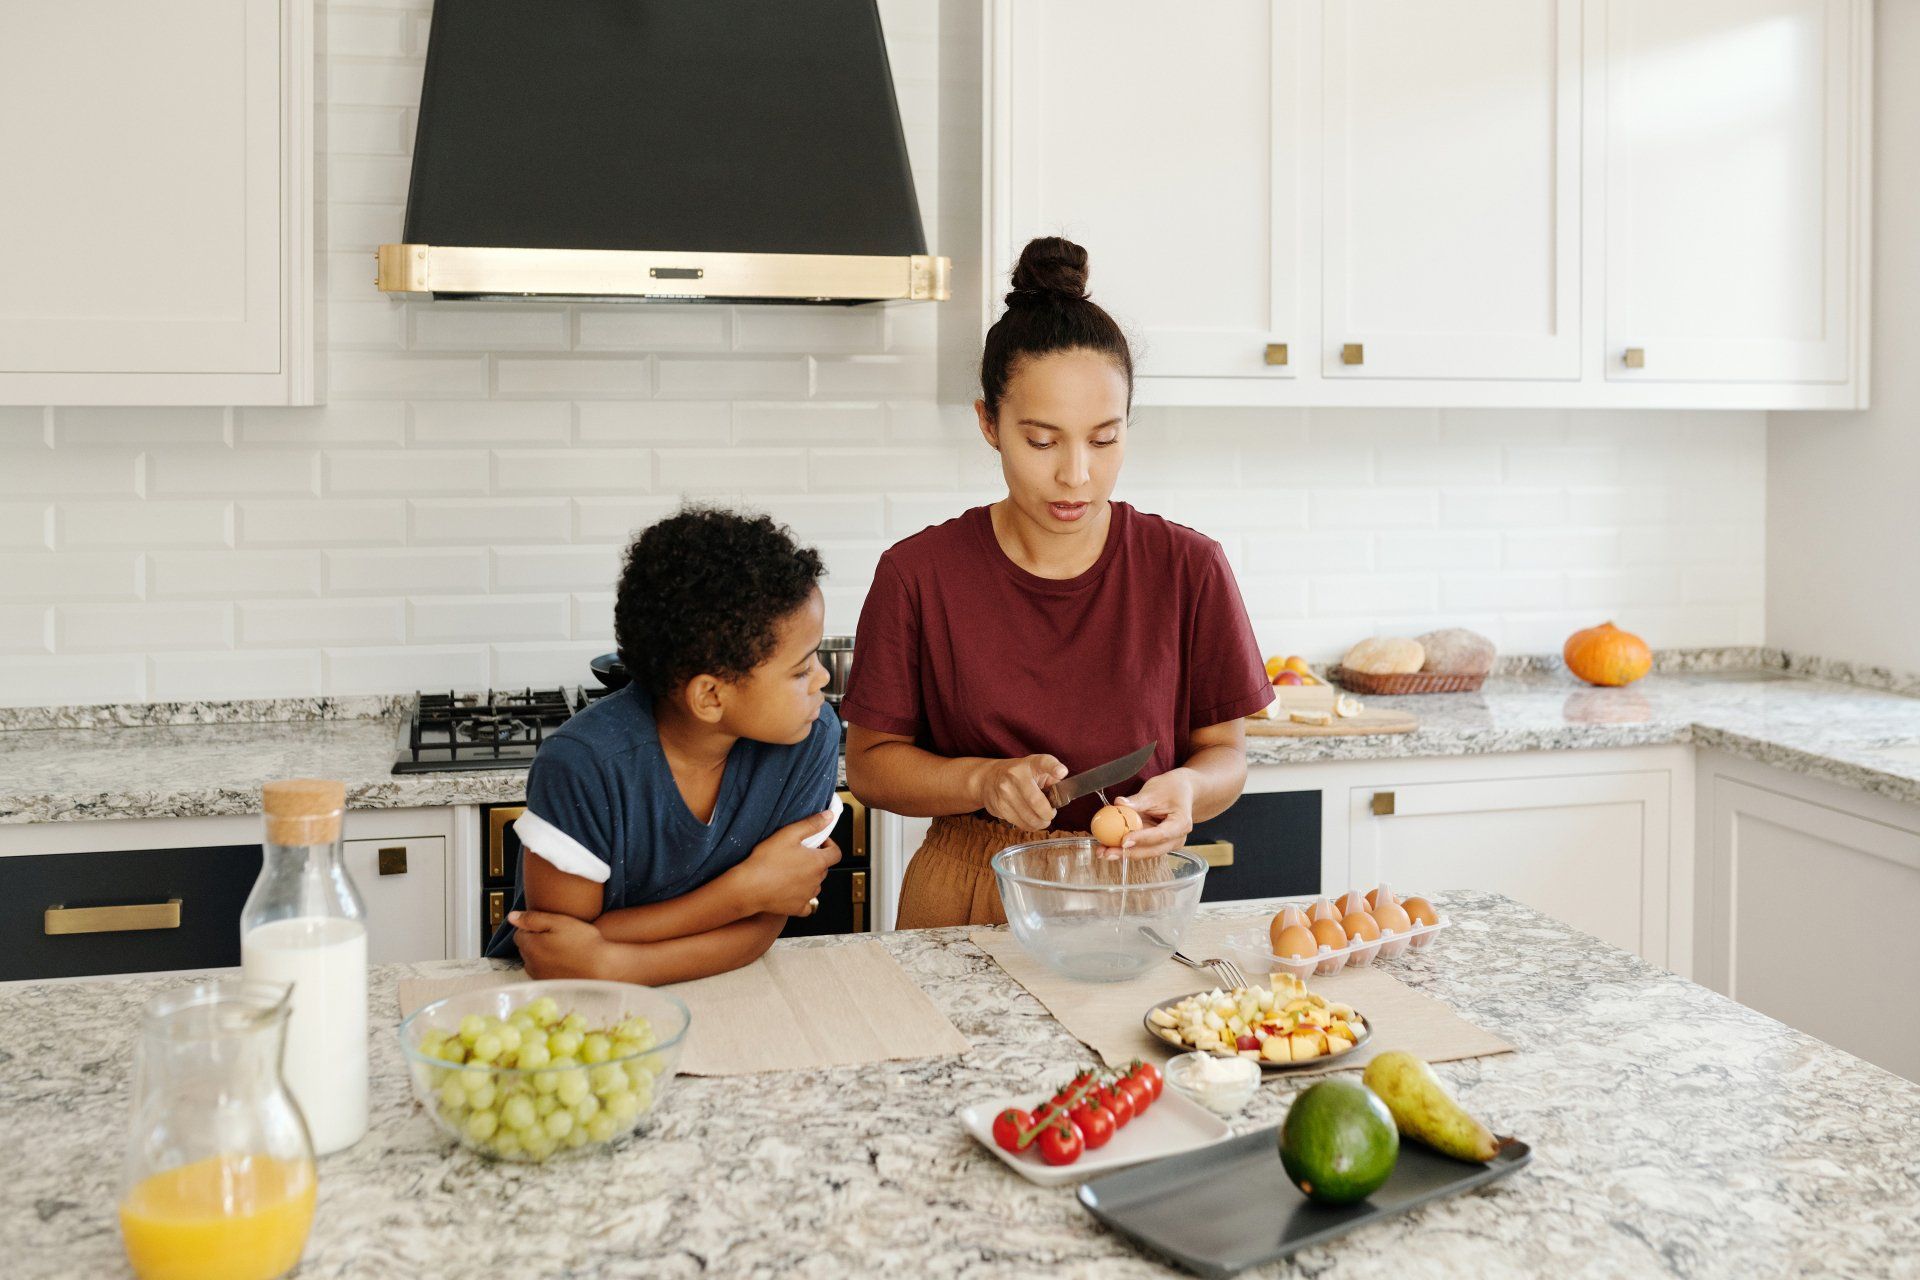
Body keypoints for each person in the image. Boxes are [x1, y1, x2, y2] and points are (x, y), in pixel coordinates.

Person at [841, 236, 1271, 929]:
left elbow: (1225, 754)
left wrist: (1187, 789)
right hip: (968, 894)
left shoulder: (1189, 567)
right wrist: (980, 781)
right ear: (989, 423)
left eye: (1104, 439)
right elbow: (871, 766)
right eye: (1042, 440)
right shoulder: (918, 574)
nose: (1076, 474)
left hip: (1131, 894)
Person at [489, 506, 843, 982]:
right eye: (801, 669)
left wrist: (611, 961)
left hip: (716, 988)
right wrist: (743, 891)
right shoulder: (584, 765)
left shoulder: (810, 736)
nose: (822, 677)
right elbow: (554, 950)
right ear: (710, 696)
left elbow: (763, 924)